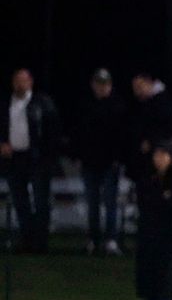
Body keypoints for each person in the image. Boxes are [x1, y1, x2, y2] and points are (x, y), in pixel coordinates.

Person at [0, 68, 61, 253]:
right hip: (14, 158)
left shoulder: (42, 103)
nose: (20, 84)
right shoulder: (6, 103)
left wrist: (48, 156)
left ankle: (40, 242)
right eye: (17, 80)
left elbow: (53, 131)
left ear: (30, 82)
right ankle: (26, 240)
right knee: (20, 201)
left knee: (41, 201)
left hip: (37, 158)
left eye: (23, 80)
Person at [132, 142, 172, 300]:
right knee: (150, 272)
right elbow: (146, 201)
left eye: (164, 155)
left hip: (167, 233)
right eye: (157, 155)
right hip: (148, 232)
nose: (160, 159)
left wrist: (167, 200)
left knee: (166, 273)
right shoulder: (147, 178)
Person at [74, 68, 126, 255]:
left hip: (110, 163)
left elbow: (122, 136)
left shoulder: (118, 106)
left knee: (110, 202)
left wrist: (118, 158)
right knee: (92, 203)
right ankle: (93, 239)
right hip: (90, 162)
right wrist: (78, 156)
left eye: (105, 84)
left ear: (110, 85)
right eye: (99, 83)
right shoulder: (85, 105)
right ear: (93, 84)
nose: (102, 87)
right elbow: (79, 133)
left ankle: (111, 240)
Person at [129, 72, 172, 163]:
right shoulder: (142, 102)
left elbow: (168, 126)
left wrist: (150, 141)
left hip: (162, 148)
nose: (137, 91)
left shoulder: (162, 101)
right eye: (135, 88)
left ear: (148, 83)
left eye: (139, 87)